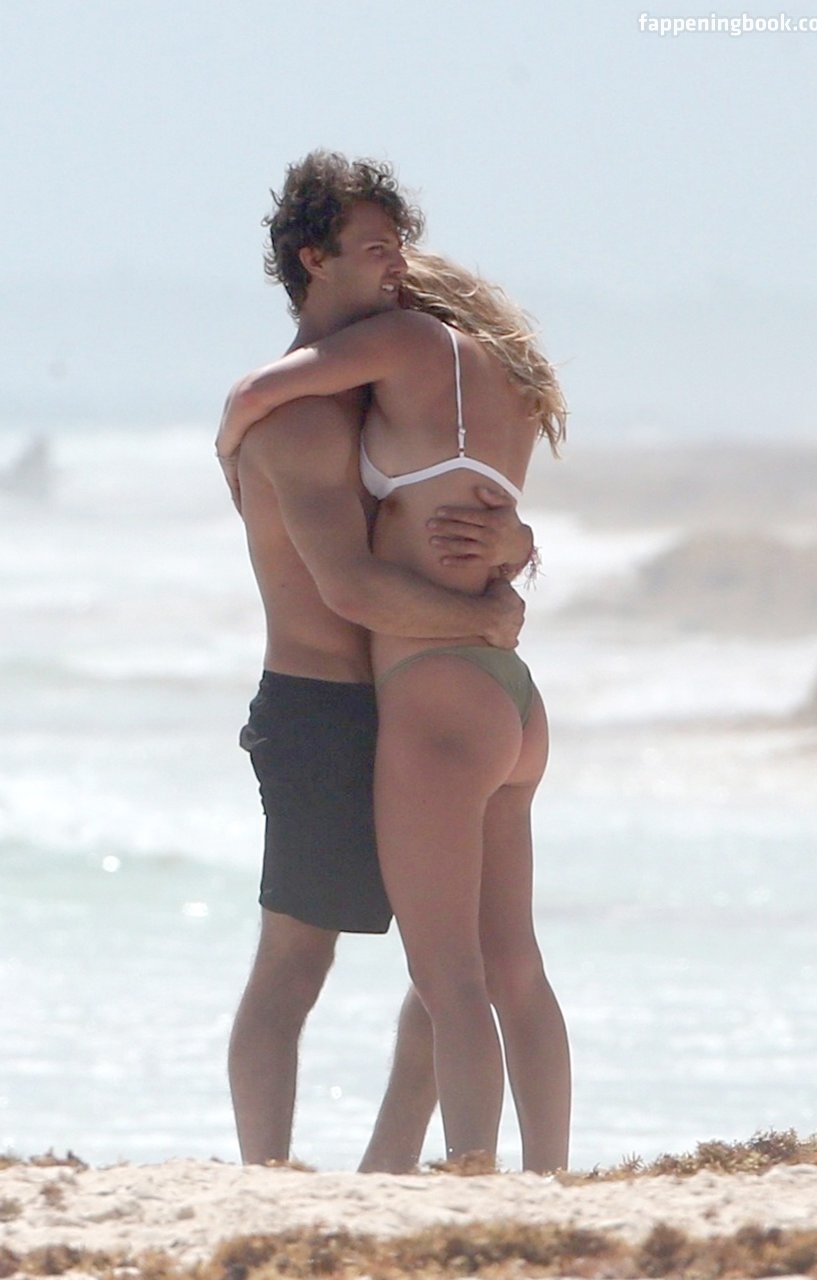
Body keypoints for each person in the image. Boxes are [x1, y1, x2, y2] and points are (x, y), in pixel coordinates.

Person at [217, 246, 572, 1170]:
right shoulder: (475, 388)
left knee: (446, 975)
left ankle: (470, 1174)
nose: (383, 286)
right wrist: (507, 565)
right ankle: (519, 1173)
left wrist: (226, 438)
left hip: (428, 694)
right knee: (504, 968)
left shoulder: (405, 357)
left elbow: (354, 588)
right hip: (498, 698)